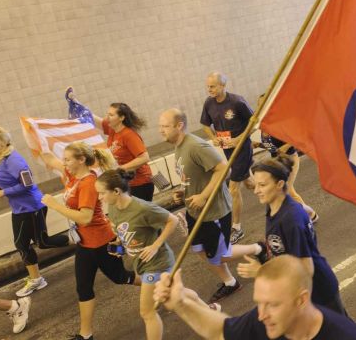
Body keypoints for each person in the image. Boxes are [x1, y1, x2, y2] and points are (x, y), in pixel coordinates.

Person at [40, 142, 138, 340]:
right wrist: (37, 139)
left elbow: (85, 217)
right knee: (83, 287)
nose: (64, 162)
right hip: (85, 244)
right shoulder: (72, 174)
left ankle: (160, 282)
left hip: (101, 242)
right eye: (64, 159)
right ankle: (86, 335)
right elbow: (50, 159)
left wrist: (54, 205)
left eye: (67, 159)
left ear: (81, 160)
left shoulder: (88, 183)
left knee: (120, 277)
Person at [159, 108, 255, 303]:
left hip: (214, 212)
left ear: (180, 126)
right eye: (160, 126)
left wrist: (203, 196)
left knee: (221, 255)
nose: (161, 130)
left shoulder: (196, 146)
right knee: (201, 249)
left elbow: (223, 170)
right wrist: (184, 192)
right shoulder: (179, 146)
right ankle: (230, 283)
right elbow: (194, 176)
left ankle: (258, 249)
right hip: (196, 211)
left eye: (165, 126)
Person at [154, 255, 356, 340]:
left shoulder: (346, 336)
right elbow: (221, 330)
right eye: (259, 302)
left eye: (273, 304)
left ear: (302, 300)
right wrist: (181, 304)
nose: (262, 314)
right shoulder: (267, 323)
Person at [237, 156, 345, 314]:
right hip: (301, 291)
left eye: (262, 185)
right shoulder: (274, 206)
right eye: (256, 184)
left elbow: (306, 269)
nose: (256, 190)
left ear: (279, 184)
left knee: (339, 332)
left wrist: (261, 272)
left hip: (317, 291)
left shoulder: (290, 220)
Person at [97, 169, 177, 340]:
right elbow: (126, 230)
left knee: (147, 312)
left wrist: (155, 245)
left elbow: (173, 220)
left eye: (102, 193)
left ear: (116, 191)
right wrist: (120, 243)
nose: (100, 197)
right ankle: (209, 310)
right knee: (177, 296)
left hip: (157, 263)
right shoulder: (113, 208)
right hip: (140, 264)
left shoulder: (142, 208)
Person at [0, 127, 69, 298]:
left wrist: (2, 192)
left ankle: (37, 279)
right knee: (38, 242)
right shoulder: (3, 160)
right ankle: (77, 239)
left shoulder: (14, 160)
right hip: (22, 208)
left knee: (29, 244)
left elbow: (27, 183)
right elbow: (10, 180)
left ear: (4, 141)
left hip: (30, 207)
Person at [70, 89, 155, 202]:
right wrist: (75, 102)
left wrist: (119, 168)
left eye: (111, 115)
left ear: (121, 118)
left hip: (140, 183)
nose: (107, 117)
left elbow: (145, 157)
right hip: (125, 183)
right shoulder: (112, 129)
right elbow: (93, 118)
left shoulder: (129, 135)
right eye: (107, 114)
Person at [200, 72, 255, 244]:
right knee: (251, 184)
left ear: (223, 86)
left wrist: (238, 139)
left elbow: (254, 122)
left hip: (242, 149)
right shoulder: (209, 103)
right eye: (208, 86)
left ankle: (236, 228)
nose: (209, 89)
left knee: (233, 188)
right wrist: (213, 137)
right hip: (227, 150)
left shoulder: (237, 102)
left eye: (213, 86)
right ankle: (279, 197)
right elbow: (204, 124)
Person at [254, 126, 317, 222]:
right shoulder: (264, 131)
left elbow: (296, 139)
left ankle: (310, 215)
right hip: (279, 162)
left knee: (287, 191)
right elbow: (273, 147)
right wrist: (259, 145)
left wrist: (286, 146)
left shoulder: (277, 128)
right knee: (285, 192)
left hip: (290, 160)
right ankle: (303, 215)